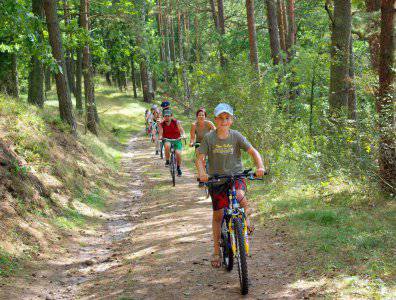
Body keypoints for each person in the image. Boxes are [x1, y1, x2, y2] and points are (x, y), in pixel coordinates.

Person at [196, 103, 266, 268]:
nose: (224, 121)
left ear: (231, 121)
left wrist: (260, 166)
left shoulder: (236, 136)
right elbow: (199, 158)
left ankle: (246, 220)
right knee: (218, 216)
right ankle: (215, 251)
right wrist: (202, 173)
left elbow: (253, 151)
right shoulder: (209, 138)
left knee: (241, 198)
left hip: (236, 176)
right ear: (215, 120)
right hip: (217, 179)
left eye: (227, 118)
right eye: (220, 118)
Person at [190, 108, 215, 186]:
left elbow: (216, 131)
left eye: (202, 115)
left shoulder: (209, 123)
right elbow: (192, 137)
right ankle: (201, 177)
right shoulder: (194, 125)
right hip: (199, 144)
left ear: (205, 116)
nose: (201, 116)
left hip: (208, 143)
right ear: (197, 116)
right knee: (200, 159)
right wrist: (191, 143)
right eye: (199, 115)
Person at [159, 109, 186, 176]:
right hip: (167, 139)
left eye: (168, 116)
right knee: (167, 145)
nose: (167, 117)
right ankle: (167, 161)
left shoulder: (176, 122)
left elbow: (182, 130)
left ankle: (178, 168)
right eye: (165, 116)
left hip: (177, 140)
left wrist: (183, 135)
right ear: (163, 117)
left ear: (171, 116)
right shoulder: (162, 124)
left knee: (178, 153)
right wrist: (160, 137)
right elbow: (160, 132)